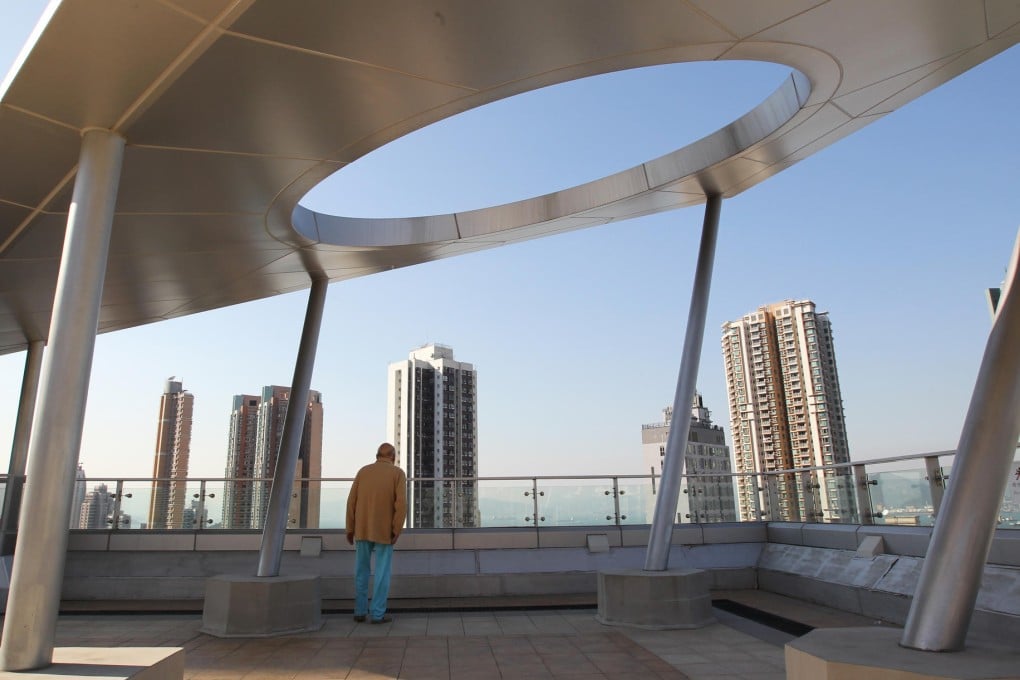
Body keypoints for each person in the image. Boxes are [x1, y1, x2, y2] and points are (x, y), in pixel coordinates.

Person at [346, 442, 407, 624]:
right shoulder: (397, 474)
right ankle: (377, 614)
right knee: (382, 573)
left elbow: (351, 502)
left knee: (361, 571)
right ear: (393, 457)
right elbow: (401, 505)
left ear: (376, 455)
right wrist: (396, 530)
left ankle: (359, 611)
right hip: (384, 531)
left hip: (362, 529)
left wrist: (350, 528)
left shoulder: (363, 472)